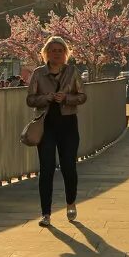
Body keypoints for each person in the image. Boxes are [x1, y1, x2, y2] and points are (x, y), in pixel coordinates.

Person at [25, 36, 87, 227]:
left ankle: (70, 202)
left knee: (69, 166)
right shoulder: (38, 74)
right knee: (47, 169)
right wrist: (46, 98)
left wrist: (67, 98)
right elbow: (30, 99)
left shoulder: (72, 72)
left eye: (60, 51)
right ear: (46, 53)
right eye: (53, 50)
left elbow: (83, 96)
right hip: (46, 127)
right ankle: (46, 213)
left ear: (65, 53)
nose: (57, 54)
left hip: (68, 125)